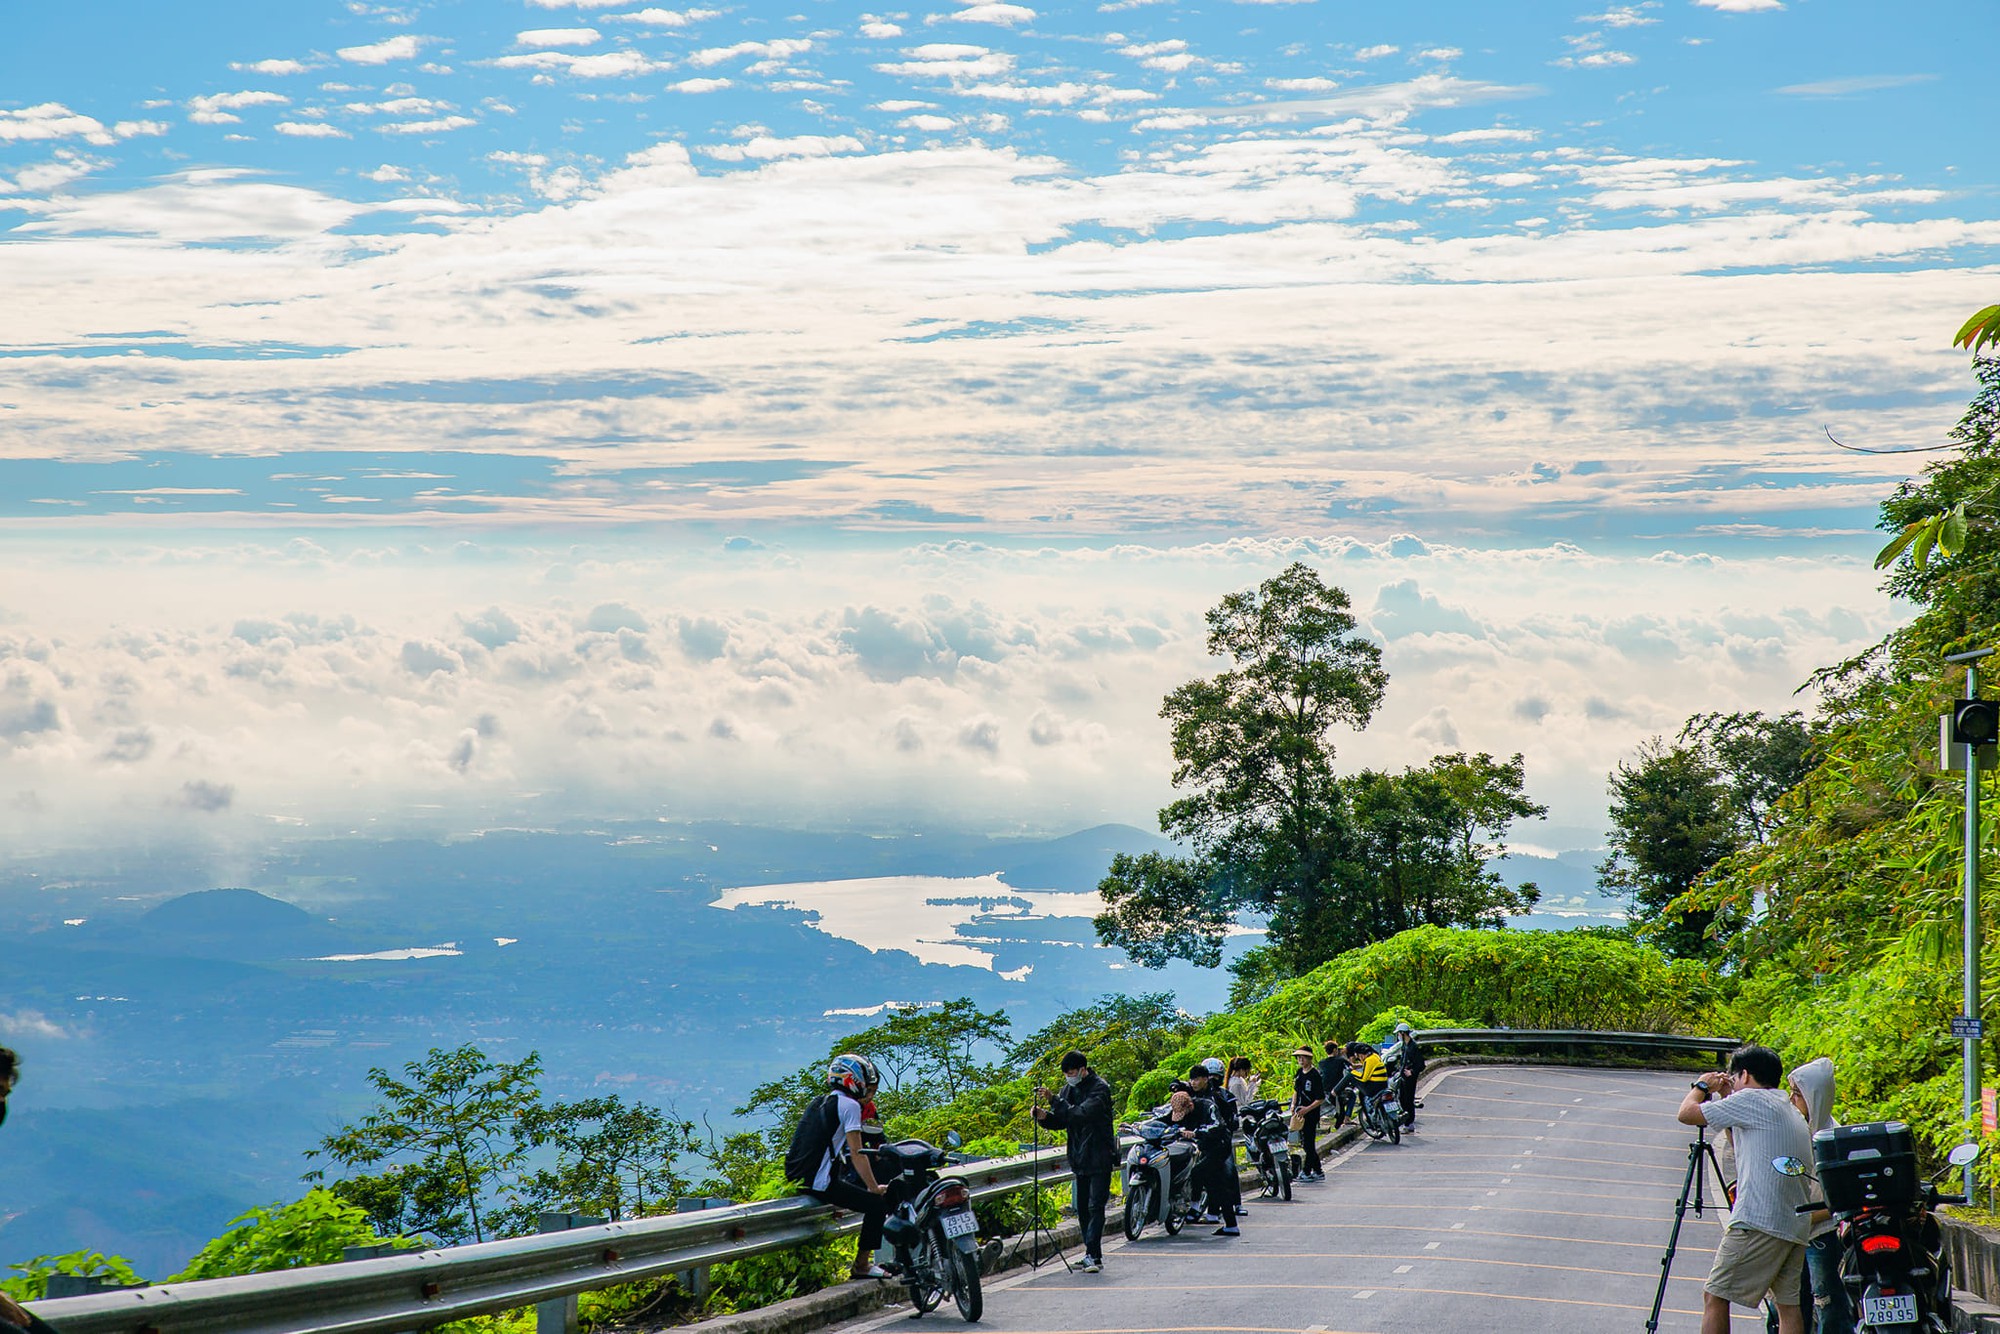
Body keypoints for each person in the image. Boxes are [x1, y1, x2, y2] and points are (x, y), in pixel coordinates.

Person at [1677, 1045, 1813, 1334]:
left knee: (1715, 1296)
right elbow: (1742, 1144)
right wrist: (1728, 1097)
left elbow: (1687, 1114)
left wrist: (1702, 1085)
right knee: (1788, 1308)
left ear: (1746, 1075)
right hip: (1794, 1225)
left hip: (1759, 1221)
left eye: (1734, 1078)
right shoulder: (1786, 1108)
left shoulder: (1752, 1100)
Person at [805, 1053, 895, 1281]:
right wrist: (874, 1188)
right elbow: (858, 1153)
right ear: (854, 1081)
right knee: (876, 1205)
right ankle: (862, 1265)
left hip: (802, 1177)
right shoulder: (850, 1106)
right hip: (821, 1182)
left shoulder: (819, 1102)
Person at [1033, 1049, 1116, 1273]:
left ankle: (1091, 1254)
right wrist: (1044, 1118)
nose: (1069, 1077)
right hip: (1079, 1155)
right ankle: (1093, 1254)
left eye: (1072, 1072)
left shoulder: (1100, 1088)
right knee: (1082, 1208)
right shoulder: (1068, 1089)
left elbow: (1081, 1114)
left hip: (1100, 1154)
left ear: (1082, 1069)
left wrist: (1053, 1100)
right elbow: (1064, 1120)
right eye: (1066, 1074)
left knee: (1095, 1206)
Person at [1785, 1057, 1847, 1334]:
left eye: (1797, 1094)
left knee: (1828, 1304)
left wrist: (1803, 1219)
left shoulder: (1832, 1138)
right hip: (1789, 1233)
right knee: (1787, 1307)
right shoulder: (1790, 1129)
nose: (1791, 1099)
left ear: (1814, 1097)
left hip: (1819, 1234)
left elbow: (1837, 1198)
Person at [1185, 1063, 1241, 1235]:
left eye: (1196, 1079)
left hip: (1219, 1144)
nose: (1193, 1083)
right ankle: (1230, 1225)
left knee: (1198, 1173)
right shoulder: (1196, 1093)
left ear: (1205, 1079)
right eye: (1191, 1079)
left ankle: (1195, 1207)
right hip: (1211, 1144)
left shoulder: (1213, 1097)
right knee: (1216, 1185)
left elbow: (1217, 1125)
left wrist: (1195, 1132)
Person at [1290, 1046, 1326, 1182]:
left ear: (1309, 1059)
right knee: (1306, 1143)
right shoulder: (1299, 1073)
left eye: (1303, 1057)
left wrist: (1308, 1109)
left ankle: (1306, 1171)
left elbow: (1320, 1098)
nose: (1300, 1060)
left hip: (1311, 1114)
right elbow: (1296, 1090)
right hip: (1300, 1113)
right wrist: (1293, 1105)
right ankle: (1318, 1170)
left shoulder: (1314, 1075)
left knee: (1309, 1144)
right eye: (1299, 1057)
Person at [1390, 1021, 1425, 1129]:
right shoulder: (1405, 1045)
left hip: (1410, 1077)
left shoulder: (1413, 1046)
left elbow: (1420, 1064)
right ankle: (1406, 1120)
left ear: (1403, 1033)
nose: (1398, 1036)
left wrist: (1412, 1072)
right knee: (1402, 1098)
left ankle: (1409, 1123)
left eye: (1399, 1034)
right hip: (1403, 1075)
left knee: (1408, 1100)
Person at [1317, 1040, 1353, 1128]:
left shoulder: (1321, 1063)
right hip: (1338, 1089)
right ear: (1334, 1050)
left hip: (1325, 1090)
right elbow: (1351, 1068)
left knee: (1339, 1107)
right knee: (1352, 1096)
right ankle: (1346, 1118)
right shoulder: (1341, 1060)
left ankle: (1340, 1118)